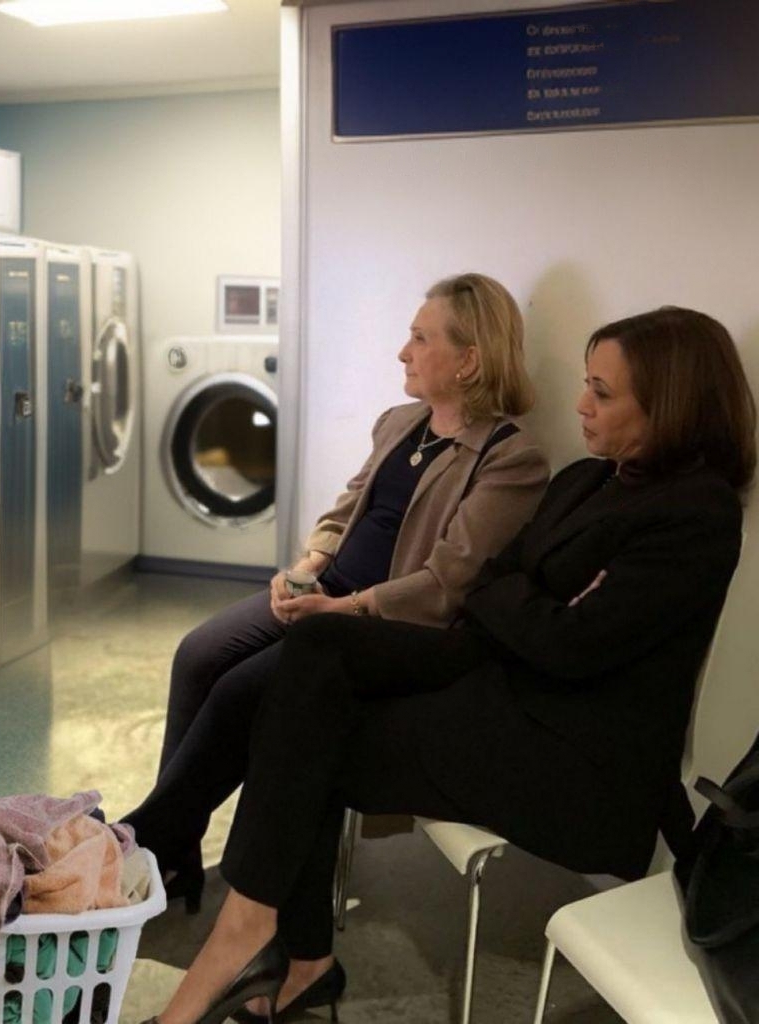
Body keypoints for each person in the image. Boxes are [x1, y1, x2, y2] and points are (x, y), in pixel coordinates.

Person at [138, 305, 757, 1024]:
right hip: (503, 682)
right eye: (586, 383)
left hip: (574, 757)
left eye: (602, 392)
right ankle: (255, 929)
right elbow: (492, 587)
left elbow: (570, 645)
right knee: (313, 651)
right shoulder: (587, 478)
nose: (580, 404)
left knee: (308, 731)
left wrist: (522, 601)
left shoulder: (697, 513)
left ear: (670, 406)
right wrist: (534, 603)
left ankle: (252, 935)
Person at [126, 273, 550, 910]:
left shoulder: (510, 459)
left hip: (381, 626)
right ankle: (176, 854)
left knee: (246, 693)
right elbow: (346, 509)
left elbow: (447, 583)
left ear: (468, 359)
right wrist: (305, 569)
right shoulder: (401, 422)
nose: (403, 352)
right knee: (198, 654)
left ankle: (143, 849)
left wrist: (340, 608)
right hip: (327, 593)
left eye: (420, 339)